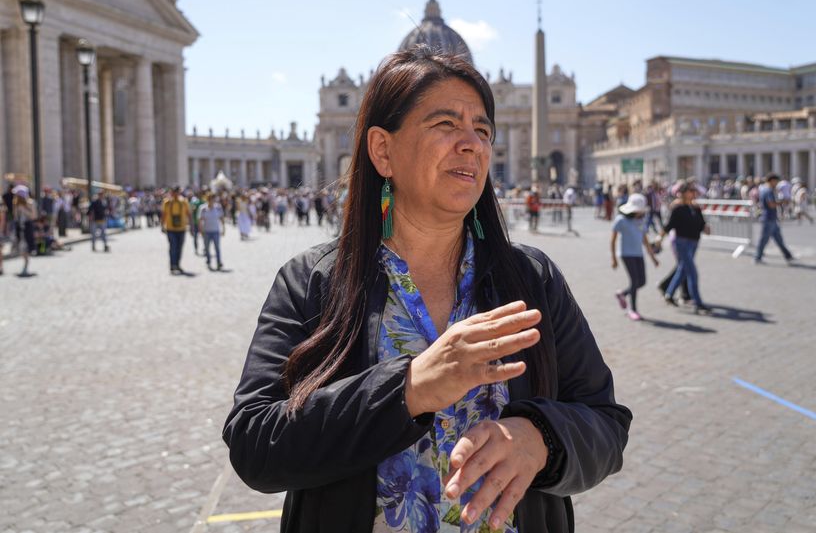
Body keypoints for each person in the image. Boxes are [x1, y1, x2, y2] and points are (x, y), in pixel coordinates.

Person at [223, 48, 631, 533]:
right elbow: (254, 443)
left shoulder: (532, 278)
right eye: (444, 124)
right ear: (383, 151)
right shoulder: (311, 282)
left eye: (482, 130)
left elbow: (606, 423)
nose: (472, 144)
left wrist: (542, 437)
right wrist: (408, 388)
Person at [658, 182, 711, 314]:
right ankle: (698, 303)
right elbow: (669, 225)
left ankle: (669, 294)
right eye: (690, 191)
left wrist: (705, 228)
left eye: (694, 191)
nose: (693, 193)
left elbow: (701, 224)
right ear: (682, 193)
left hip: (694, 242)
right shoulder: (678, 208)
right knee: (692, 272)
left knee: (682, 270)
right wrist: (659, 238)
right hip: (682, 242)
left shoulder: (696, 208)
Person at [611, 193, 659, 321]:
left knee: (642, 281)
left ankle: (622, 294)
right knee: (634, 281)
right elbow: (613, 240)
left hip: (638, 253)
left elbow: (645, 240)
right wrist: (614, 258)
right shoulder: (621, 220)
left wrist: (653, 257)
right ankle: (632, 309)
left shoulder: (641, 221)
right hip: (626, 254)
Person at [754, 173, 794, 264]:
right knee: (764, 239)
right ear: (772, 181)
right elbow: (771, 204)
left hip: (770, 218)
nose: (776, 184)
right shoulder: (768, 191)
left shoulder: (764, 189)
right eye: (776, 181)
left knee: (778, 238)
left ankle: (788, 255)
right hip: (769, 218)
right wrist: (782, 202)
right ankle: (757, 257)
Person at [162, 186, 189, 274]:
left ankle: (177, 264)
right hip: (171, 228)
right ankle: (172, 265)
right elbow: (164, 214)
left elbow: (189, 213)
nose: (175, 194)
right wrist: (162, 225)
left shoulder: (184, 202)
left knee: (179, 248)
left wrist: (191, 226)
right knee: (173, 247)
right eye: (174, 192)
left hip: (181, 228)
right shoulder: (167, 202)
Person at [12, 186, 37, 277]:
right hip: (19, 228)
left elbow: (33, 216)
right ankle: (25, 265)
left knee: (26, 248)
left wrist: (24, 209)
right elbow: (15, 217)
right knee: (21, 249)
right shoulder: (16, 204)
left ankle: (25, 267)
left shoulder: (30, 203)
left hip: (27, 227)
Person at [199, 193, 226, 271]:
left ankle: (219, 262)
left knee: (217, 248)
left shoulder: (218, 208)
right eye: (210, 199)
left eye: (213, 199)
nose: (212, 201)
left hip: (215, 231)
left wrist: (223, 229)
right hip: (206, 231)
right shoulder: (203, 208)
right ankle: (208, 261)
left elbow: (221, 218)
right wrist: (201, 230)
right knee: (207, 248)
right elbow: (200, 220)